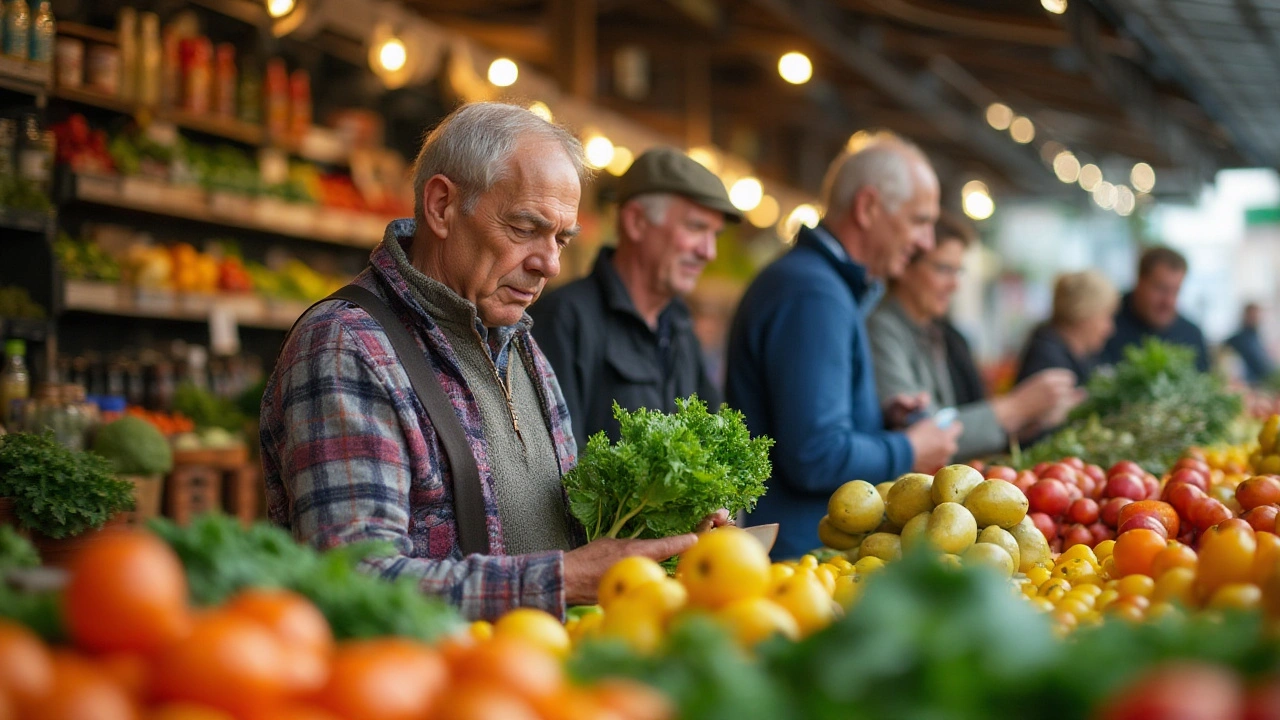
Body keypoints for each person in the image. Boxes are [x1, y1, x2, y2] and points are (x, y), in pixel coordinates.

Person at [260, 103, 724, 622]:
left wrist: (664, 533)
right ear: (441, 206)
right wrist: (564, 580)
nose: (549, 263)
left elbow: (564, 532)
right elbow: (353, 579)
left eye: (561, 239)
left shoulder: (520, 343)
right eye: (526, 228)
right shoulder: (348, 347)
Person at [725, 132, 962, 559]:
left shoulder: (821, 286)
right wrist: (911, 447)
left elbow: (811, 428)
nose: (926, 242)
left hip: (808, 551)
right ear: (868, 207)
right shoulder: (813, 294)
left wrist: (878, 418)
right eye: (920, 220)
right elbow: (815, 455)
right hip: (801, 558)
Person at [530, 147, 735, 442]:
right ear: (636, 221)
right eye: (696, 228)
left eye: (714, 235)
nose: (708, 252)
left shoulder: (679, 325)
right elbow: (558, 467)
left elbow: (714, 442)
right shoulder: (564, 319)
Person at [867, 215, 1081, 460]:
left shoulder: (939, 333)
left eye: (959, 271)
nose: (955, 285)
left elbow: (949, 419)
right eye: (944, 269)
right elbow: (922, 430)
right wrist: (1016, 407)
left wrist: (1030, 419)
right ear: (904, 266)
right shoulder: (880, 328)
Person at [1101, 246, 1209, 371]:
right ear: (1140, 281)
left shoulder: (1191, 335)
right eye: (1161, 289)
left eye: (1176, 291)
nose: (1168, 301)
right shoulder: (1106, 321)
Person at [1017, 269, 1120, 385]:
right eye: (1106, 317)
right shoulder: (1049, 364)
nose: (1110, 328)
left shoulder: (1081, 356)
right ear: (1084, 312)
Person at [1224, 302, 1275, 386]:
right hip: (1247, 383)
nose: (1255, 318)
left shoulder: (1256, 337)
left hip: (1261, 382)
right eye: (1252, 315)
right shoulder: (1238, 338)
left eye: (1257, 315)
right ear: (1245, 315)